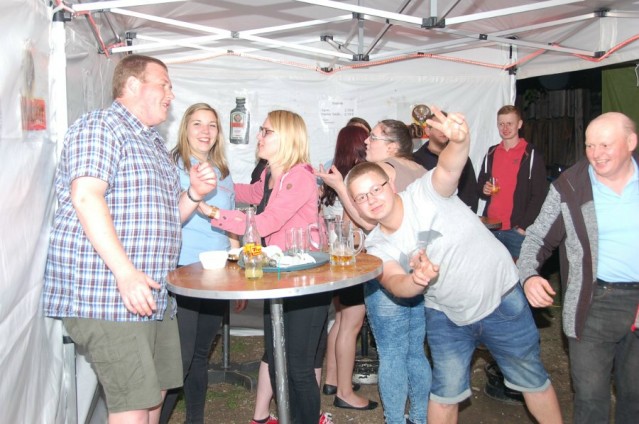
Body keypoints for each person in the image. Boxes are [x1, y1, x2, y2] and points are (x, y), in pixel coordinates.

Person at [344, 107, 563, 424]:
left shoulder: (424, 192)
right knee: (444, 396)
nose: (371, 200)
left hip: (501, 297)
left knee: (533, 382)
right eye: (361, 198)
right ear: (356, 206)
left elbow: (449, 167)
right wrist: (417, 280)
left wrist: (459, 141)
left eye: (375, 189)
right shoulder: (377, 244)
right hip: (447, 315)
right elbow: (393, 282)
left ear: (390, 183)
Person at [41, 55, 218, 423]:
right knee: (134, 406)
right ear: (134, 85)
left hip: (151, 296)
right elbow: (86, 196)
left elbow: (168, 218)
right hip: (109, 294)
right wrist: (125, 273)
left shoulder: (152, 143)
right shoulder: (101, 127)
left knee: (154, 398)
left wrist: (194, 195)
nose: (171, 94)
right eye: (164, 84)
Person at [200, 110, 332, 424]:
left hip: (306, 281)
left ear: (286, 137)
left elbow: (264, 223)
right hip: (280, 277)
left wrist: (214, 212)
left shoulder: (299, 176)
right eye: (261, 130)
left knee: (298, 367)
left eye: (266, 131)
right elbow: (251, 194)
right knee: (276, 360)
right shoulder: (271, 173)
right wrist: (218, 183)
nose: (259, 136)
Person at [518, 112, 639, 424]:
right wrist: (528, 276)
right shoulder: (570, 186)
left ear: (631, 142)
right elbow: (536, 238)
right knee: (590, 397)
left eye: (605, 145)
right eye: (589, 145)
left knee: (635, 395)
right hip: (592, 302)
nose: (596, 154)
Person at [317, 119, 429, 424]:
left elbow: (368, 222)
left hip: (388, 267)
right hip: (417, 267)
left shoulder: (383, 171)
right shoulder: (420, 170)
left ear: (392, 146)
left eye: (374, 138)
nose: (367, 142)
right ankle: (419, 418)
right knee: (415, 351)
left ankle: (395, 420)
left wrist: (341, 188)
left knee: (392, 353)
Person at [159, 103, 248, 424]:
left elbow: (231, 224)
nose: (205, 131)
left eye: (211, 125)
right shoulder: (172, 166)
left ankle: (194, 419)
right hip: (183, 270)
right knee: (180, 358)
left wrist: (236, 271)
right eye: (197, 124)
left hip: (218, 273)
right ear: (185, 128)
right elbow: (168, 215)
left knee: (200, 354)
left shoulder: (222, 171)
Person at [320, 125, 377, 411]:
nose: (369, 144)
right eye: (365, 140)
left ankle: (332, 380)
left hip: (334, 260)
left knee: (342, 322)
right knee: (351, 325)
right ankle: (344, 392)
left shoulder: (333, 178)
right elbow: (350, 228)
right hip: (352, 261)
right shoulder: (354, 179)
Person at [477, 105, 548, 260]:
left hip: (516, 232)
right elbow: (480, 185)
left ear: (519, 124)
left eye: (510, 123)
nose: (505, 128)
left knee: (520, 274)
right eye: (501, 124)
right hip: (491, 229)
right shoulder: (491, 153)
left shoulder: (531, 154)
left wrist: (523, 227)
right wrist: (484, 189)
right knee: (493, 273)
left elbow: (540, 195)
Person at [413, 110, 479, 212]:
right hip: (429, 217)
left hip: (458, 216)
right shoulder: (415, 160)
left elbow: (471, 192)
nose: (443, 131)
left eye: (445, 127)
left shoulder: (460, 158)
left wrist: (466, 215)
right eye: (438, 127)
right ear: (428, 131)